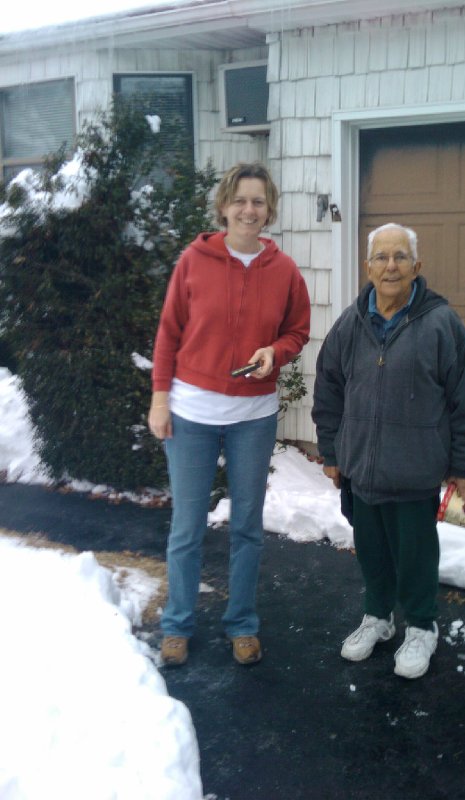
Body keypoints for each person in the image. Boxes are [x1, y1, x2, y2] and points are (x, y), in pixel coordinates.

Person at [312, 222, 465, 680]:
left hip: (415, 473)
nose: (390, 266)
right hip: (360, 471)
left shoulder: (441, 325)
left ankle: (422, 626)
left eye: (400, 257)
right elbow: (329, 390)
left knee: (415, 555)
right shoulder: (350, 324)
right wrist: (332, 452)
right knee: (370, 550)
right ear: (367, 266)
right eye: (381, 257)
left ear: (417, 267)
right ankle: (377, 617)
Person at [149, 163, 310, 667]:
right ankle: (177, 623)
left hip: (253, 416)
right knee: (188, 526)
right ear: (223, 206)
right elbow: (169, 333)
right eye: (240, 200)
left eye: (258, 201)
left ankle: (241, 622)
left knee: (246, 526)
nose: (248, 210)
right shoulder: (194, 262)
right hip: (192, 413)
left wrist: (275, 352)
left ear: (269, 210)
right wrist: (159, 398)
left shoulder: (284, 270)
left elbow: (298, 331)